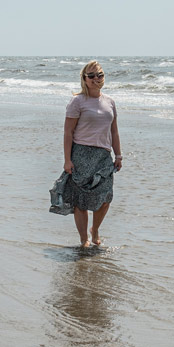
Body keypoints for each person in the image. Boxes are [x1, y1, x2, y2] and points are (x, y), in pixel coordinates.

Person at [61, 61, 123, 248]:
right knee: (81, 201)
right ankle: (84, 239)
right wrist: (67, 160)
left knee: (105, 197)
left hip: (103, 156)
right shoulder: (77, 101)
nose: (96, 78)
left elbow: (114, 131)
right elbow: (68, 132)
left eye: (100, 75)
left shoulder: (110, 102)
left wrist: (118, 155)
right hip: (81, 154)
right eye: (92, 76)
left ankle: (95, 229)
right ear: (84, 79)